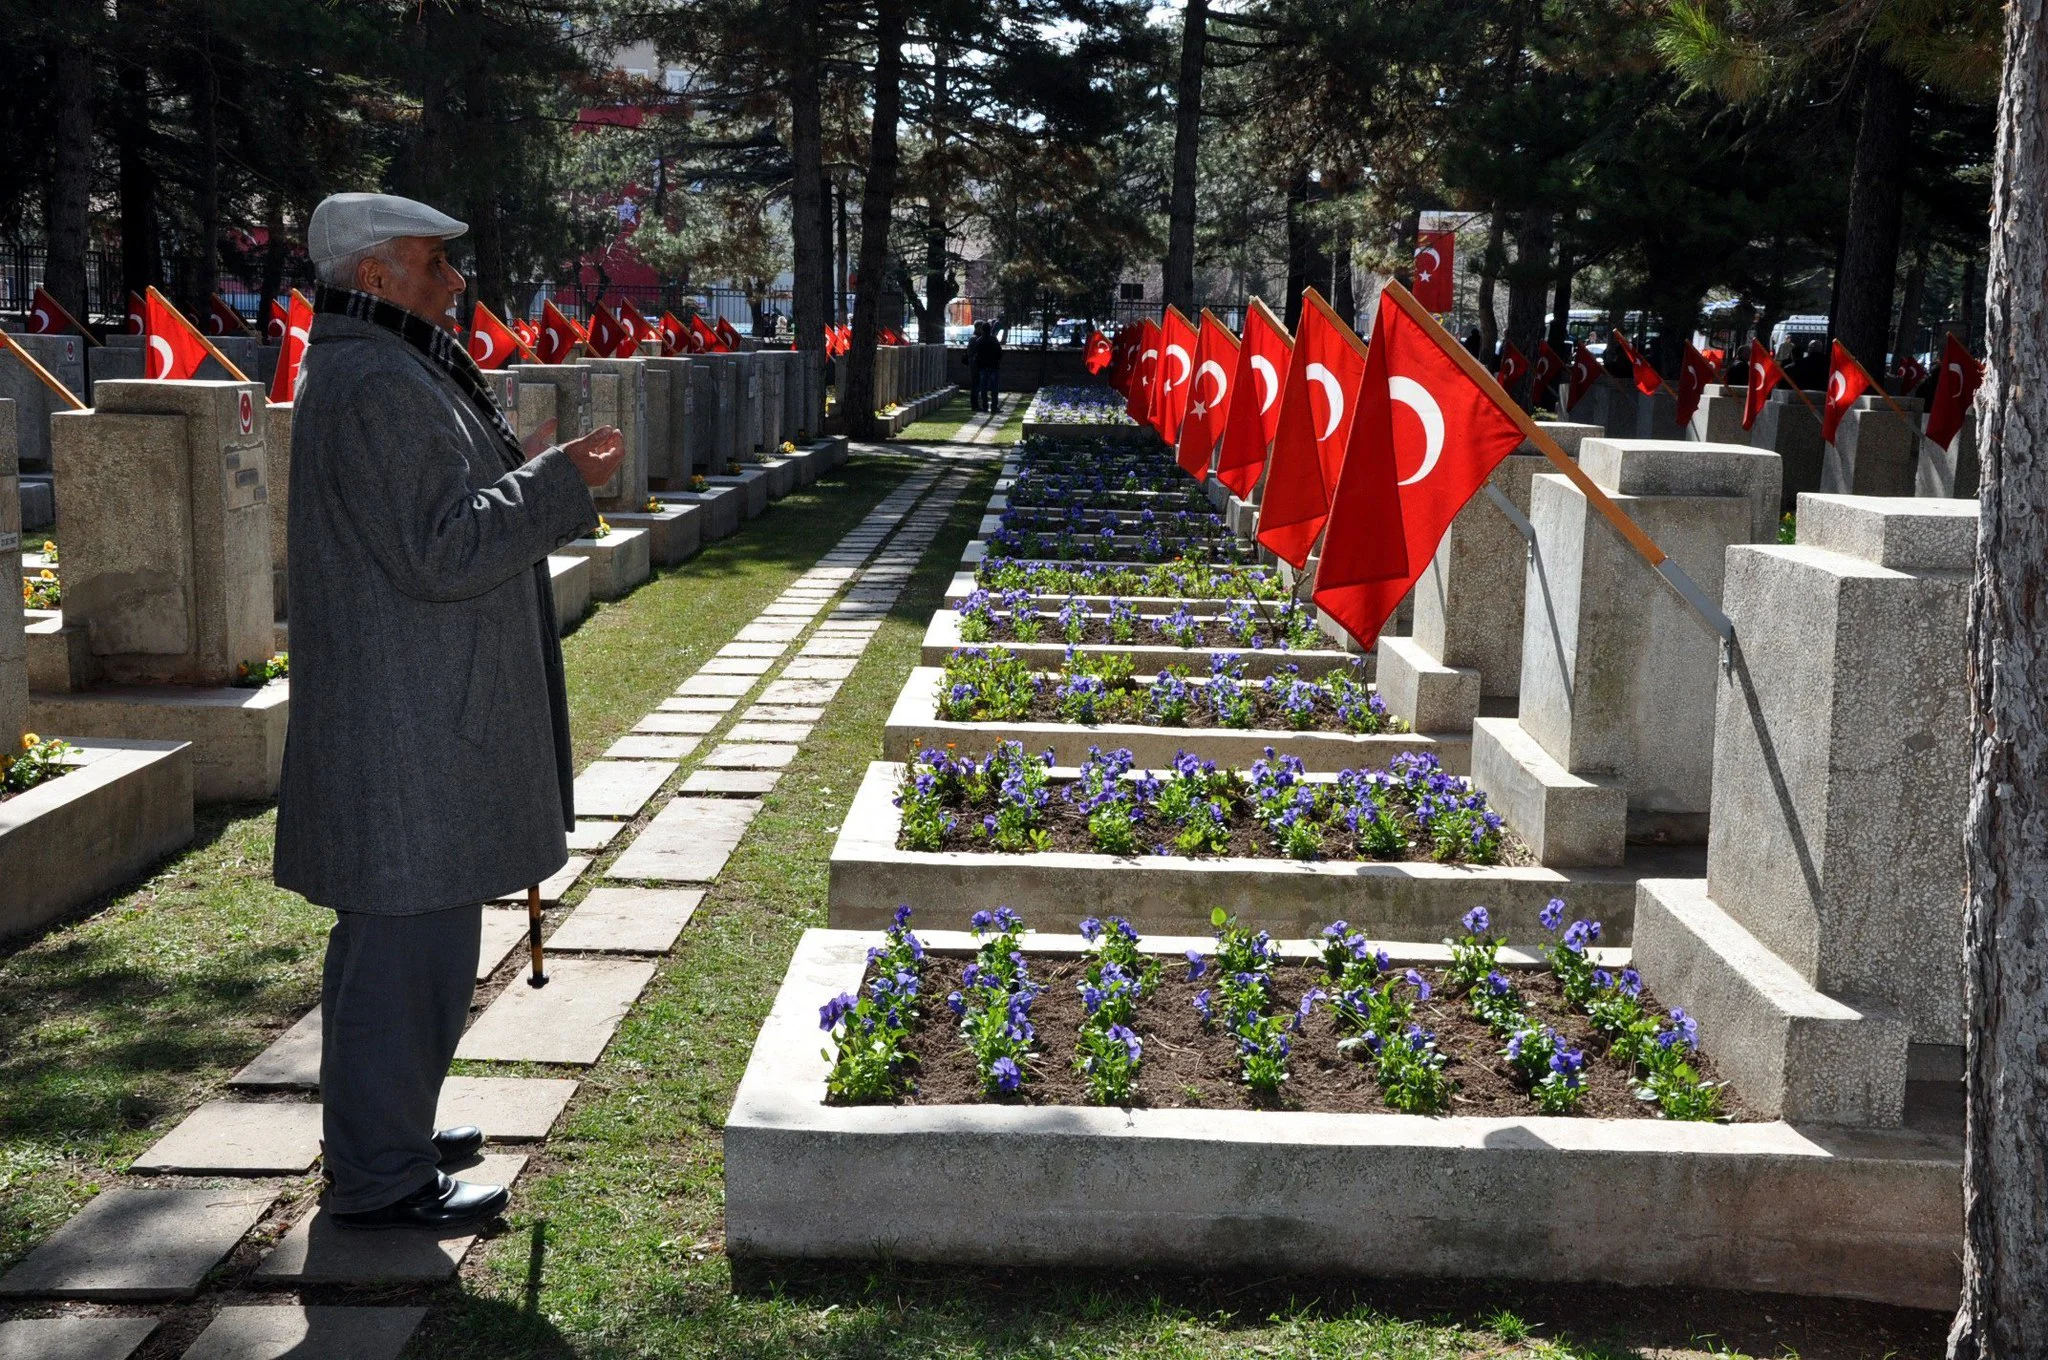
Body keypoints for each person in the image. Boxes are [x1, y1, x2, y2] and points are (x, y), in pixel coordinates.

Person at [275, 192, 623, 1232]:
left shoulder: (388, 361)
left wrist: (529, 477)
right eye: (436, 261)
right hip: (408, 728)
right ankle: (381, 1179)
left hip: (417, 714)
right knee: (402, 956)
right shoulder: (377, 377)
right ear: (376, 275)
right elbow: (440, 549)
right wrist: (557, 481)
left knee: (405, 950)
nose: (456, 279)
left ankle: (389, 1131)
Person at [970, 321, 1002, 413]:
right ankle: (994, 407)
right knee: (994, 388)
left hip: (983, 367)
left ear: (982, 330)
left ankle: (985, 406)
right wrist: (997, 360)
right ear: (990, 329)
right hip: (993, 366)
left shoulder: (979, 340)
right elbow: (999, 353)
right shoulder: (994, 339)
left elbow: (976, 354)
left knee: (983, 388)